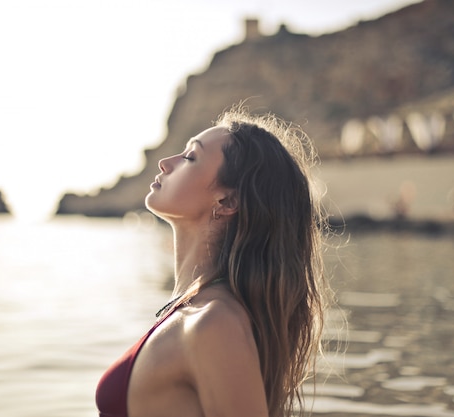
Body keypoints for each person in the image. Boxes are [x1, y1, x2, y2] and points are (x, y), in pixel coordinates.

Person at [96, 106, 330, 417]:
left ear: (228, 200)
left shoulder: (213, 323)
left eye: (190, 157)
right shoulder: (195, 308)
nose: (166, 163)